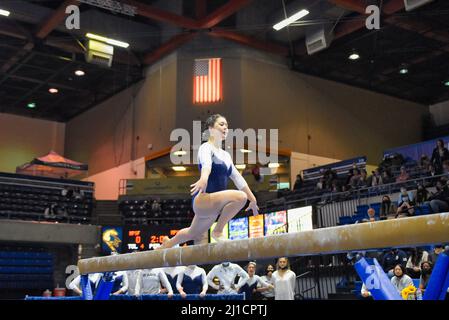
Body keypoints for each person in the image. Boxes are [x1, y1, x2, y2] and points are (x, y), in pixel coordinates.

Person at [160, 114, 259, 248]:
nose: (226, 128)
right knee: (241, 197)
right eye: (221, 124)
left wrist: (253, 200)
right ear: (211, 129)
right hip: (204, 200)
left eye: (227, 126)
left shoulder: (226, 155)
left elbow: (237, 178)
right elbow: (207, 165)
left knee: (191, 233)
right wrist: (203, 179)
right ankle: (218, 231)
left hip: (213, 207)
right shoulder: (206, 147)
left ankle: (166, 245)